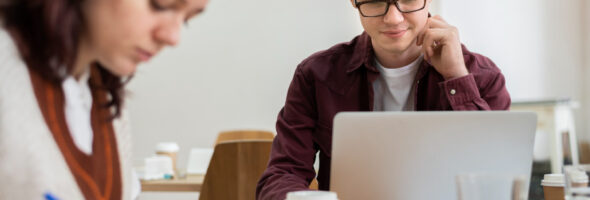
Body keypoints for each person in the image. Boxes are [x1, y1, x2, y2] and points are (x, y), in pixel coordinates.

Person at [256, 0, 510, 199]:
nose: (393, 18)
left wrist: (456, 78)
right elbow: (282, 174)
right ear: (354, 3)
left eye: (408, 0)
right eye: (376, 2)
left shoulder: (483, 77)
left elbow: (497, 182)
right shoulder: (316, 75)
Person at [0, 0, 208, 199]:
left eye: (187, 20)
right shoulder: (9, 78)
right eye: (161, 4)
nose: (173, 37)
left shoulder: (104, 98)